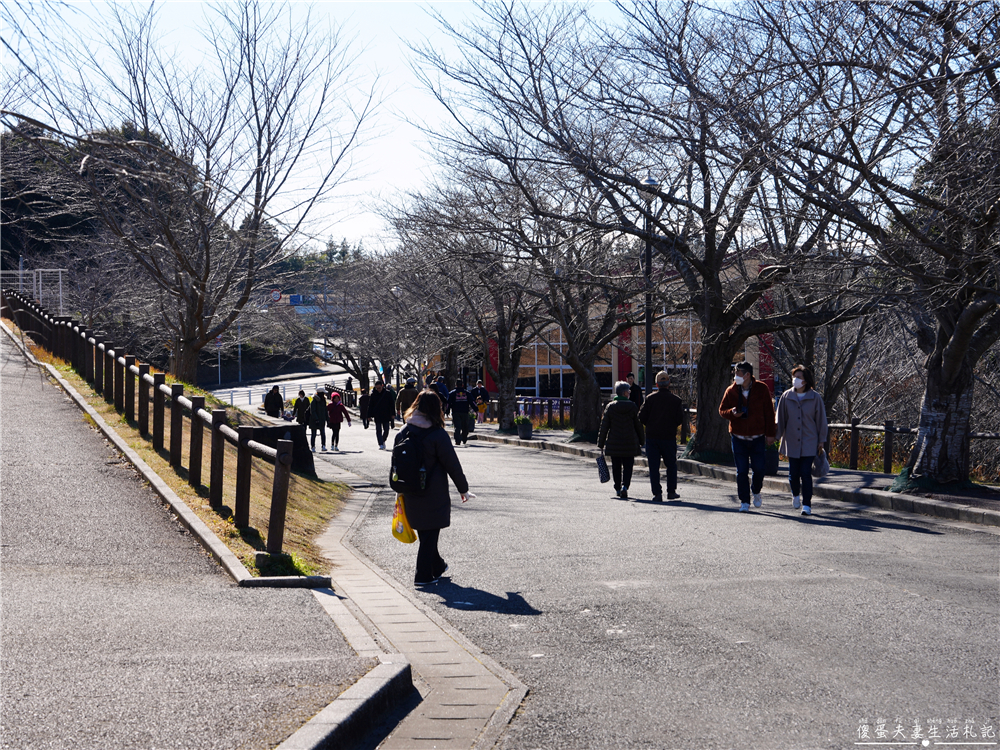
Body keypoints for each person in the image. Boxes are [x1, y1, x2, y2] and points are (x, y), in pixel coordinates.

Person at [395, 390, 471, 586]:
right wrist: (463, 489)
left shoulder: (403, 431)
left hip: (409, 489)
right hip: (433, 491)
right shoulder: (437, 434)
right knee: (430, 535)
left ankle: (437, 567)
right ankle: (422, 576)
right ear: (436, 408)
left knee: (426, 534)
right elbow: (452, 464)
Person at [719, 361, 776, 512]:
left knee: (759, 469)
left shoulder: (761, 389)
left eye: (738, 373)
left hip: (757, 437)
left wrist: (771, 434)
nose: (735, 376)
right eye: (735, 373)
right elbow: (722, 410)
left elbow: (770, 413)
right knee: (741, 471)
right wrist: (732, 412)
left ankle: (756, 491)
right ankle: (744, 501)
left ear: (747, 375)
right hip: (738, 437)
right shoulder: (731, 390)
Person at [775, 364, 829, 516]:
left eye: (798, 377)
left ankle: (807, 505)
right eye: (794, 377)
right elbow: (780, 419)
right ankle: (795, 495)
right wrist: (775, 437)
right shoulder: (786, 396)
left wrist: (821, 440)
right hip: (791, 440)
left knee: (805, 472)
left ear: (805, 381)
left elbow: (821, 420)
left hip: (809, 441)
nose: (795, 380)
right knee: (793, 473)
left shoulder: (815, 397)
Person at [638, 371, 685, 502]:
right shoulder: (676, 400)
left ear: (657, 384)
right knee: (671, 465)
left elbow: (641, 417)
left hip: (652, 437)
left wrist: (650, 424)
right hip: (669, 436)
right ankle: (671, 491)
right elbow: (680, 419)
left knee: (654, 466)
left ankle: (657, 493)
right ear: (669, 383)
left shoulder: (650, 399)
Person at [598, 381, 645, 500]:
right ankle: (625, 486)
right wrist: (642, 440)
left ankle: (617, 488)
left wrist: (601, 443)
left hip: (614, 442)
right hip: (630, 442)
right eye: (628, 391)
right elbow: (638, 425)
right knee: (628, 466)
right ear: (624, 393)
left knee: (616, 466)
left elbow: (604, 426)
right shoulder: (633, 406)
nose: (629, 393)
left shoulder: (611, 407)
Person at [369, 379, 396, 450]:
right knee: (378, 430)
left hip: (386, 414)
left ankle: (383, 440)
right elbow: (370, 405)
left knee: (386, 429)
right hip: (377, 414)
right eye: (376, 388)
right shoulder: (373, 395)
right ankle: (380, 443)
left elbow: (392, 404)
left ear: (382, 386)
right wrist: (369, 415)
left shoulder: (387, 393)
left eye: (379, 388)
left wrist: (393, 414)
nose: (378, 390)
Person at [448, 381, 472, 445]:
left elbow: (449, 403)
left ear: (456, 385)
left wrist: (447, 411)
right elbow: (472, 402)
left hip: (456, 412)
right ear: (462, 385)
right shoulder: (467, 393)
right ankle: (464, 438)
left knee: (457, 427)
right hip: (465, 412)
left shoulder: (452, 393)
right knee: (465, 426)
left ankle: (457, 440)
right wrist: (476, 409)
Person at [308, 387, 328, 452]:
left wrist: (328, 419)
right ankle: (313, 446)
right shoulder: (314, 401)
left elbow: (325, 411)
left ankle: (323, 446)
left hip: (321, 420)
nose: (324, 394)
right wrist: (316, 419)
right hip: (314, 420)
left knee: (322, 433)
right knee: (313, 434)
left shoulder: (323, 401)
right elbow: (312, 411)